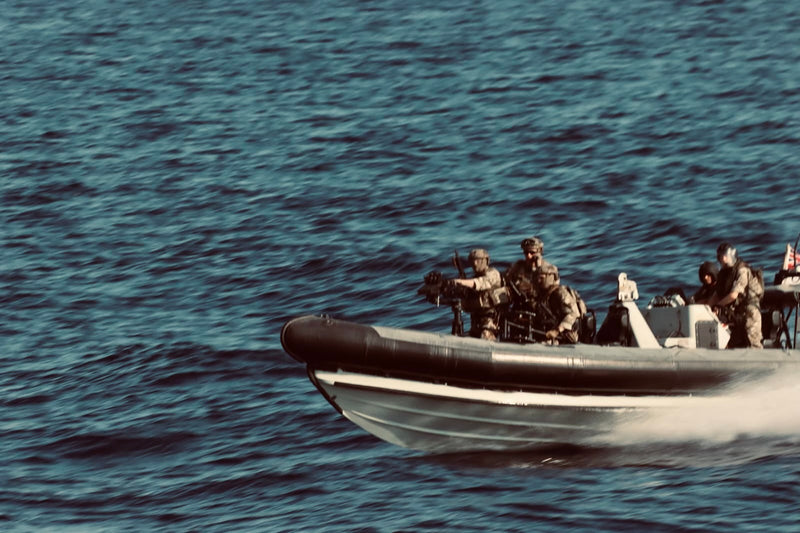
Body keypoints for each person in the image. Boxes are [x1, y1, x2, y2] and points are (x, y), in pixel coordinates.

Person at [708, 242, 763, 348]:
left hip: (749, 310)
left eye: (723, 256)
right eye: (719, 256)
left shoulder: (742, 270)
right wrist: (707, 309)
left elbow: (734, 295)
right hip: (735, 311)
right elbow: (717, 294)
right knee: (733, 343)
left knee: (753, 343)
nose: (721, 259)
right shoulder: (723, 273)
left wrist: (718, 305)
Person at [452, 248, 503, 340]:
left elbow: (480, 283)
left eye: (478, 260)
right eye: (472, 261)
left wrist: (461, 282)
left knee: (485, 336)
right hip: (476, 323)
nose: (475, 264)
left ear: (486, 260)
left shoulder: (493, 273)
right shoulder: (473, 278)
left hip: (490, 323)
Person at [535, 263, 584, 344]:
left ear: (551, 277)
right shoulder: (544, 294)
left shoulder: (560, 293)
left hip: (567, 336)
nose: (538, 281)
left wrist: (556, 331)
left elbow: (573, 314)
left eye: (541, 278)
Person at [505, 237, 556, 306]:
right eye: (526, 253)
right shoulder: (518, 266)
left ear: (540, 252)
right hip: (521, 303)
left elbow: (548, 289)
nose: (529, 256)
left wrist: (539, 268)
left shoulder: (549, 270)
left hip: (541, 304)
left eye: (532, 253)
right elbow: (506, 279)